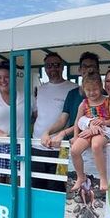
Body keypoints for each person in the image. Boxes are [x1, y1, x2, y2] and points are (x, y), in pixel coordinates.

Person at [31, 53, 78, 190]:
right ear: (45, 68)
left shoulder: (73, 89)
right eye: (49, 65)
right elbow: (35, 114)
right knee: (37, 186)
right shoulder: (39, 89)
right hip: (37, 145)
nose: (53, 68)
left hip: (62, 147)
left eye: (56, 65)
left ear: (62, 67)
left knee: (57, 187)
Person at [70, 73, 110, 191]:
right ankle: (80, 176)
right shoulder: (84, 104)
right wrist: (76, 136)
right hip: (88, 131)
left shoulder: (108, 101)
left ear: (101, 87)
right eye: (88, 90)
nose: (92, 93)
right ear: (84, 90)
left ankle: (103, 177)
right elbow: (77, 121)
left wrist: (103, 122)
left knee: (96, 145)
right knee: (75, 150)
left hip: (102, 131)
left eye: (95, 89)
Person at [77, 66, 110, 143]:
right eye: (108, 81)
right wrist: (90, 124)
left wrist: (97, 129)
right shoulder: (97, 101)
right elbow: (79, 120)